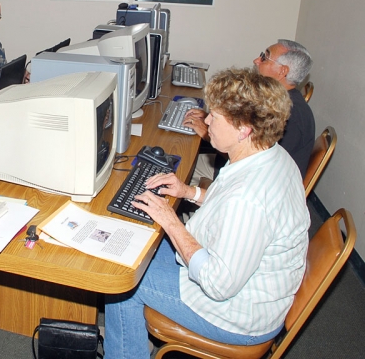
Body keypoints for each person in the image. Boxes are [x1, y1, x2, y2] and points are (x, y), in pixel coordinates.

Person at [105, 68, 310, 358]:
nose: (207, 120)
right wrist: (189, 192)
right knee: (134, 242)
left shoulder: (248, 198)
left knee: (123, 278)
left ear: (244, 129)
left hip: (235, 316)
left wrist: (171, 221)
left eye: (215, 115)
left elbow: (217, 284)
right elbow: (227, 204)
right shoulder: (268, 154)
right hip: (248, 288)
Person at [186, 39, 315, 182]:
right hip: (233, 166)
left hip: (241, 180)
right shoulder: (272, 101)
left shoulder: (289, 117)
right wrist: (214, 118)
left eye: (265, 58)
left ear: (282, 71)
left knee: (180, 168)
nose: (256, 61)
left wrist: (206, 132)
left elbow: (248, 161)